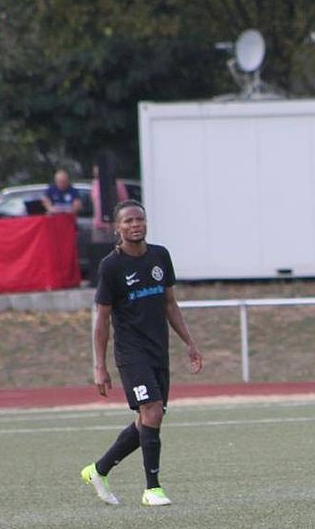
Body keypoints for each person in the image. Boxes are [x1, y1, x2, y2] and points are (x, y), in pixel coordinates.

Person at [81, 199, 203, 506]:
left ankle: (99, 470)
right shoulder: (111, 266)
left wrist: (189, 342)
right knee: (152, 412)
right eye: (128, 221)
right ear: (117, 227)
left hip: (158, 350)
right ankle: (152, 489)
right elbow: (102, 319)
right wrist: (99, 366)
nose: (135, 225)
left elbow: (170, 304)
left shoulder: (160, 256)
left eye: (139, 219)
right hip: (131, 352)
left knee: (149, 418)